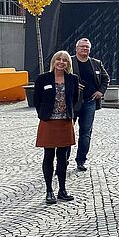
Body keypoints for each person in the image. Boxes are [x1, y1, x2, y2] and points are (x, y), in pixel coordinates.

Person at [34, 51, 80, 204]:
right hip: (48, 122)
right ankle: (49, 191)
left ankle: (62, 189)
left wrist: (68, 114)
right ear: (53, 61)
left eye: (65, 60)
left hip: (65, 122)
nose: (61, 62)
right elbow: (36, 100)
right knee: (48, 156)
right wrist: (43, 114)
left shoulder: (73, 79)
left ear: (68, 64)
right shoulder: (43, 78)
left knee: (63, 157)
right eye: (58, 59)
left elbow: (74, 99)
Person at [70, 38, 109, 171]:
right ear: (76, 48)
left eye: (87, 47)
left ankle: (81, 160)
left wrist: (101, 91)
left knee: (86, 133)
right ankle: (63, 160)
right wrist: (73, 86)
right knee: (67, 131)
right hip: (72, 102)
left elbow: (106, 79)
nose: (84, 49)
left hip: (89, 102)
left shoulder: (96, 63)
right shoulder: (69, 61)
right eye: (82, 46)